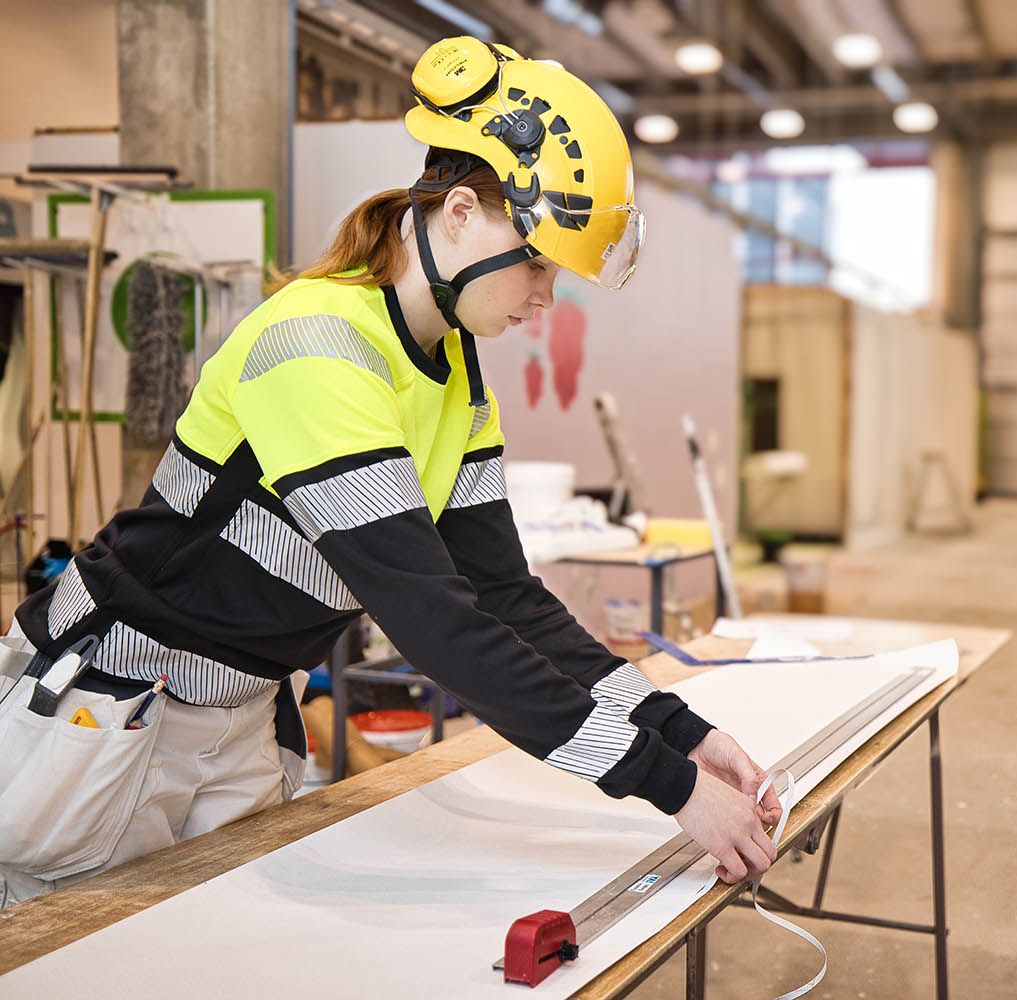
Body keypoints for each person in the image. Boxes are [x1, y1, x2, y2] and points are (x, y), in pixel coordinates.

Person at [0, 37, 780, 907]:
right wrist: (668, 787)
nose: (543, 298)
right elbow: (435, 622)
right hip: (113, 710)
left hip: (239, 714)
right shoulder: (320, 348)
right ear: (457, 214)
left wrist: (679, 732)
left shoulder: (453, 370)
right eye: (536, 263)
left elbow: (506, 598)